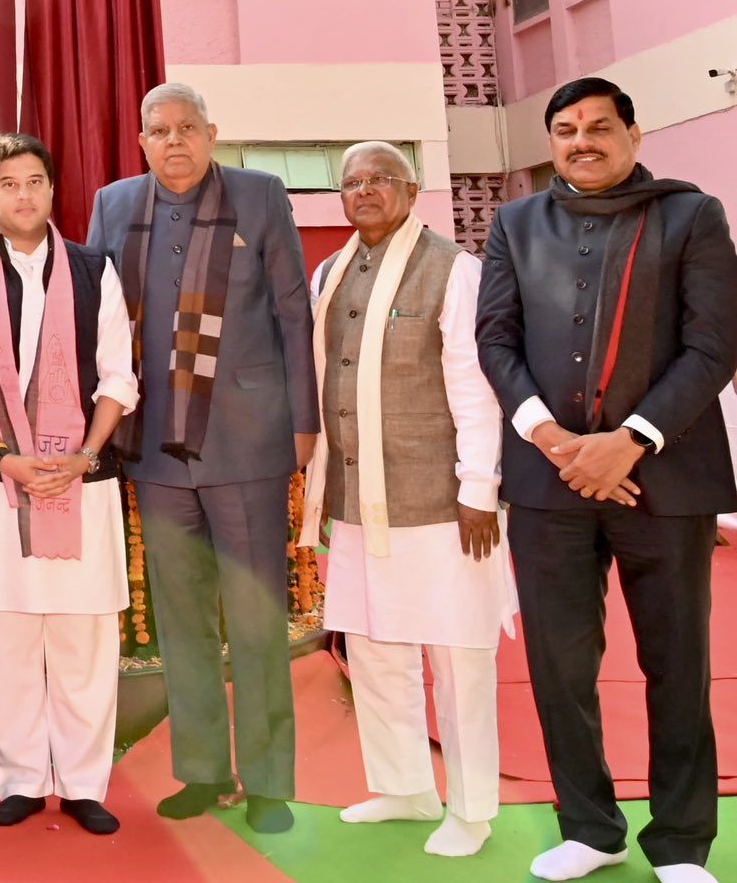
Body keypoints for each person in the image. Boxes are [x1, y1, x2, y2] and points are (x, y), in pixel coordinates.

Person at [477, 77, 737, 883]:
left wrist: (629, 442)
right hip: (549, 484)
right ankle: (590, 830)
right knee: (558, 663)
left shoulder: (692, 216)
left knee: (677, 661)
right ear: (549, 141)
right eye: (564, 129)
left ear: (632, 131)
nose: (580, 140)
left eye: (597, 126)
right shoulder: (515, 223)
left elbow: (715, 345)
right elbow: (495, 341)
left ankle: (683, 843)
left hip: (662, 478)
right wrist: (557, 442)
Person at [83, 82, 316, 833]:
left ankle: (270, 781)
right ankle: (202, 771)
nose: (174, 141)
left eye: (188, 128)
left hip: (247, 442)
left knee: (253, 616)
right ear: (142, 141)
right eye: (160, 130)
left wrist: (304, 425)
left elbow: (292, 311)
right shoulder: (115, 206)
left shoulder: (260, 195)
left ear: (212, 135)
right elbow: (100, 322)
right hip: (155, 448)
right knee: (182, 619)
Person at [298, 142, 512, 858]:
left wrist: (480, 488)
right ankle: (404, 787)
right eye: (351, 182)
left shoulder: (454, 270)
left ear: (411, 189)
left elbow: (476, 389)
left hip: (445, 504)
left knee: (459, 655)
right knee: (375, 649)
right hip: (357, 502)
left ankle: (473, 807)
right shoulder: (328, 272)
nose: (363, 191)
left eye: (378, 179)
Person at [0, 133, 136, 832]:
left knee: (82, 637)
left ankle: (83, 783)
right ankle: (19, 778)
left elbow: (117, 376)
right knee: (7, 632)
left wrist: (83, 454)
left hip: (83, 478)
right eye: (9, 184)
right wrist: (2, 457)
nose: (24, 195)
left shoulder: (93, 269)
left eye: (36, 182)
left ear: (53, 190)